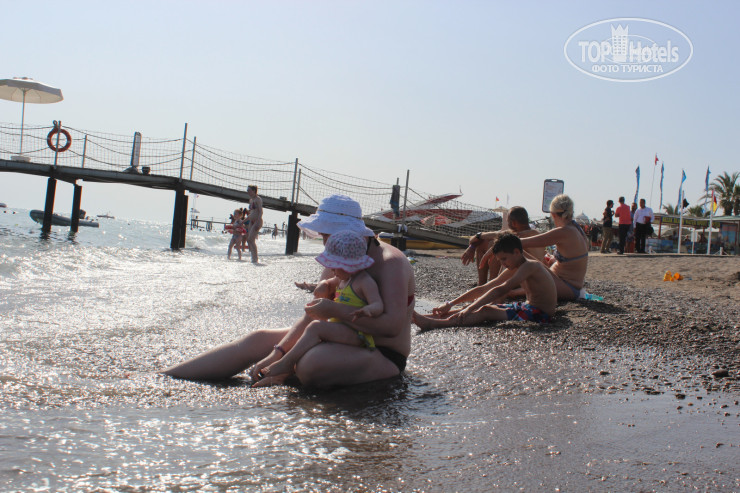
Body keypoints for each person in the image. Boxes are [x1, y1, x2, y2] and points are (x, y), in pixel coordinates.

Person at [162, 194, 415, 388]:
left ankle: (286, 373)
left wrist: (335, 311)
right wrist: (278, 353)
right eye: (323, 236)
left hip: (381, 353)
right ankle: (169, 376)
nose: (325, 243)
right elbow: (312, 317)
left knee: (311, 363)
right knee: (257, 339)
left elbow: (391, 327)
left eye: (327, 235)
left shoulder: (390, 263)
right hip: (334, 334)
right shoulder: (339, 258)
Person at [256, 230, 383, 381]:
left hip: (357, 334)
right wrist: (324, 284)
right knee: (313, 332)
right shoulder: (343, 279)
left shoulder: (364, 281)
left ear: (349, 265)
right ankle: (284, 370)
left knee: (315, 328)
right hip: (341, 328)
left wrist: (368, 310)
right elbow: (330, 282)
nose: (332, 270)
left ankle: (287, 363)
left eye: (334, 266)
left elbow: (378, 304)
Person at [413, 234, 556, 330]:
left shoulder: (531, 266)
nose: (503, 264)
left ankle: (435, 324)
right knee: (476, 307)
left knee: (485, 310)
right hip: (526, 307)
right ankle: (420, 318)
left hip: (540, 314)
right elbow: (485, 288)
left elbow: (501, 289)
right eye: (500, 260)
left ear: (517, 252)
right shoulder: (516, 265)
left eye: (504, 259)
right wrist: (450, 304)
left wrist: (470, 308)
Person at [461, 206, 545, 285]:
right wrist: (472, 246)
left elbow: (498, 235)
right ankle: (482, 284)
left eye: (508, 222)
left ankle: (492, 284)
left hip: (528, 279)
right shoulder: (532, 233)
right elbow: (493, 235)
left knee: (496, 244)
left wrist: (478, 237)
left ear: (513, 223)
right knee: (484, 243)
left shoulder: (527, 234)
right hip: (523, 274)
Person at [246, 185, 263, 263]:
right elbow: (251, 213)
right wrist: (243, 221)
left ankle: (255, 258)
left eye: (249, 190)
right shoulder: (251, 200)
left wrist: (258, 221)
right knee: (249, 240)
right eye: (247, 190)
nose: (248, 192)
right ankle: (253, 257)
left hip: (257, 221)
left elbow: (260, 211)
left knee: (250, 239)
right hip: (251, 221)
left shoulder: (258, 199)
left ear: (254, 191)